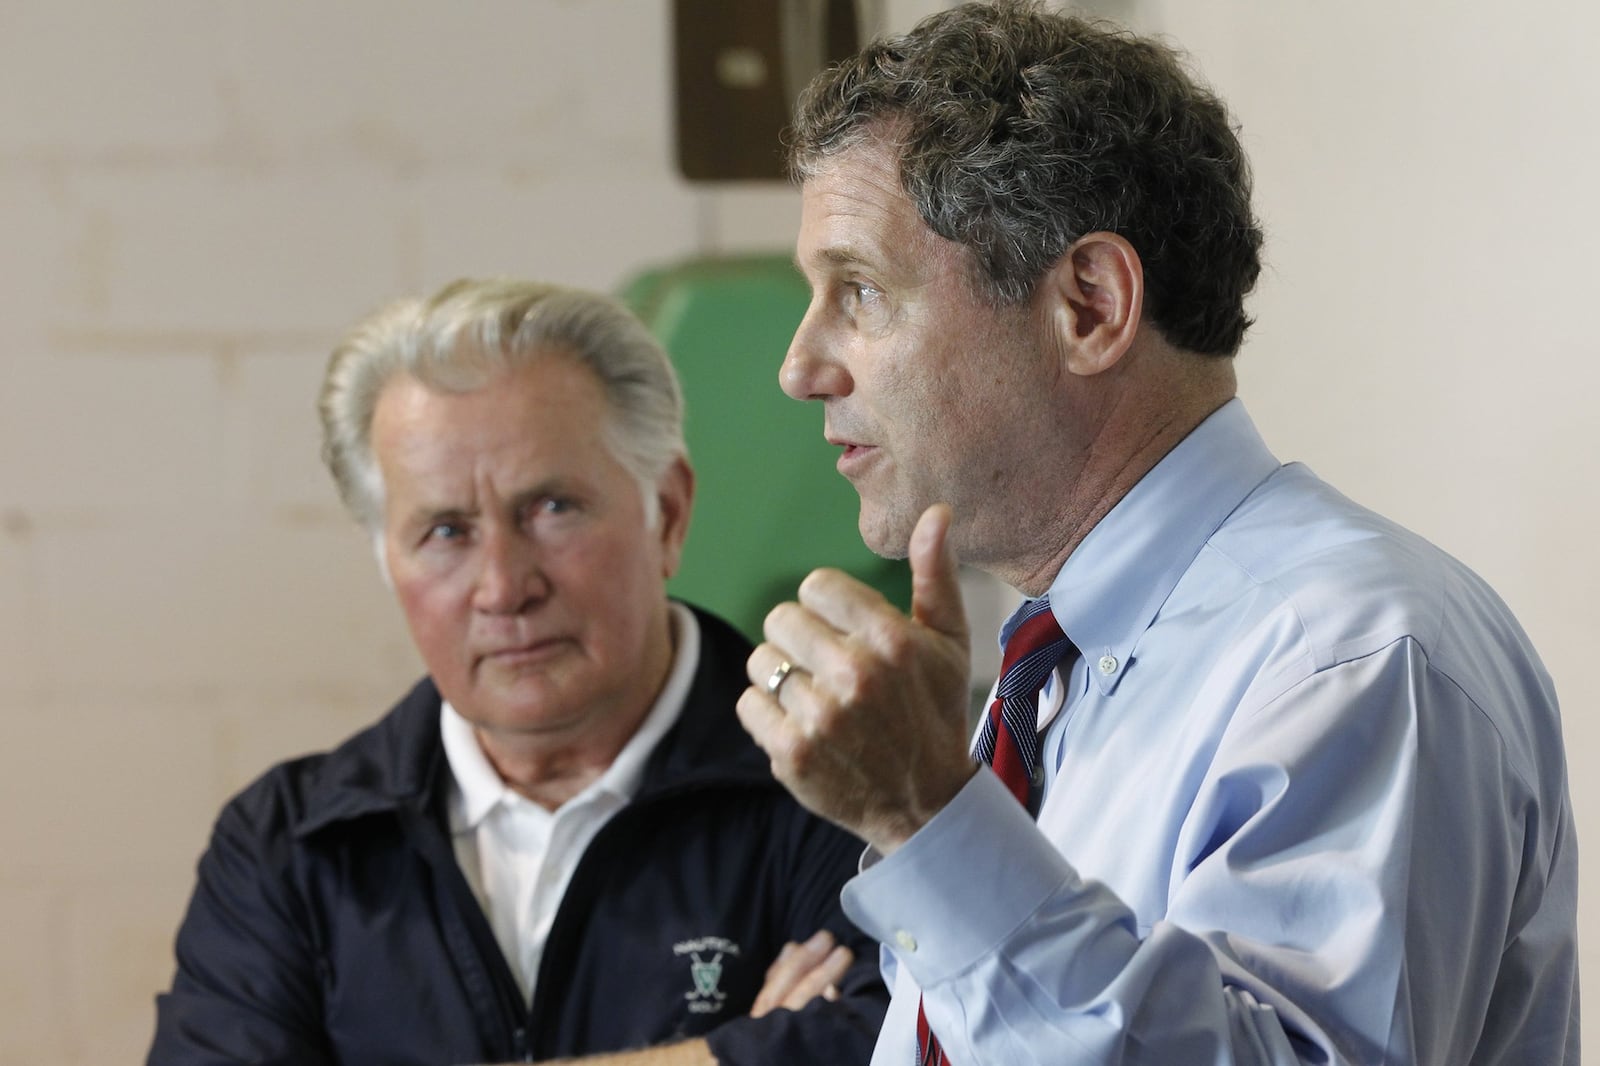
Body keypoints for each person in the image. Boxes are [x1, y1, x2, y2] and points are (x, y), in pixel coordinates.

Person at [734, 3, 1579, 1064]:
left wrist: (930, 822)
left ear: (1087, 305)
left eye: (859, 291)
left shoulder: (1351, 654)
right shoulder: (1044, 669)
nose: (800, 365)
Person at [148, 278, 889, 1065]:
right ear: (385, 561)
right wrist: (733, 1055)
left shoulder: (846, 786)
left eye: (551, 509)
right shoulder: (287, 853)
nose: (504, 587)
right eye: (443, 531)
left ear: (666, 513)